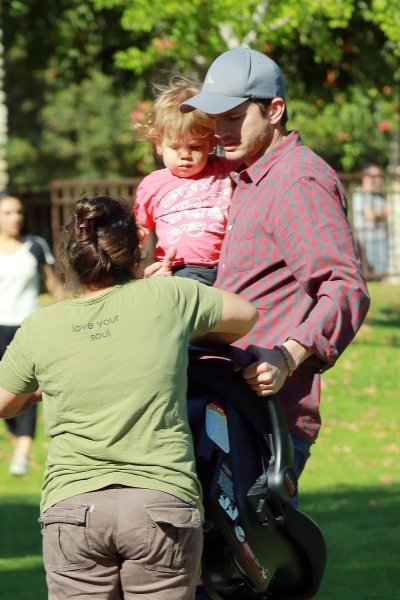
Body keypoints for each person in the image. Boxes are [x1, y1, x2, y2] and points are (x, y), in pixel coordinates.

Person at [0, 194, 257, 600]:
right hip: (161, 504)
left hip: (72, 508)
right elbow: (245, 315)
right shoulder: (167, 297)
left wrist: (30, 397)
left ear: (70, 256)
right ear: (134, 251)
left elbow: (3, 402)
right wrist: (172, 323)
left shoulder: (39, 326)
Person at [150, 47, 370, 494]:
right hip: (222, 404)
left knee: (239, 564)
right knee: (190, 556)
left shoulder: (297, 181)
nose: (220, 131)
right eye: (216, 119)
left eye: (233, 117)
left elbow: (344, 286)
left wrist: (288, 355)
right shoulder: (244, 179)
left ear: (274, 110)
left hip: (265, 418)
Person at [134, 76, 239, 286]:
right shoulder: (153, 184)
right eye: (175, 147)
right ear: (159, 145)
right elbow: (138, 228)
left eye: (194, 147)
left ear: (211, 144)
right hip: (178, 268)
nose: (185, 155)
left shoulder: (226, 169)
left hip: (229, 265)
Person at [0, 192, 62, 476]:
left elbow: (53, 286)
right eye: (8, 213)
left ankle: (22, 454)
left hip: (26, 327)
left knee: (26, 389)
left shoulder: (35, 246)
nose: (16, 218)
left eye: (19, 212)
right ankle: (18, 445)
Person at [352, 164, 389, 277]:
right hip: (368, 239)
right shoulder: (359, 194)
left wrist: (379, 214)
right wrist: (381, 214)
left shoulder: (378, 195)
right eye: (375, 177)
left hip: (382, 237)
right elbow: (370, 215)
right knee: (379, 272)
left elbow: (389, 212)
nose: (379, 180)